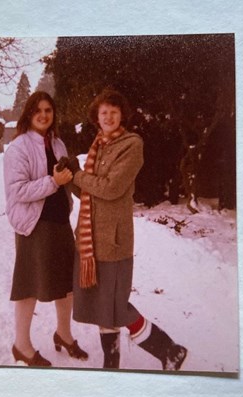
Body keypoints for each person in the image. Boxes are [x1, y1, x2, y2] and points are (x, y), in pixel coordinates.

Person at [66, 88, 188, 370]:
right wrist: (70, 174)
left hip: (114, 242)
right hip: (90, 240)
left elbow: (110, 188)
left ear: (122, 116)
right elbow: (87, 193)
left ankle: (170, 350)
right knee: (101, 307)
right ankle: (112, 363)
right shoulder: (99, 145)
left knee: (115, 306)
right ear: (96, 117)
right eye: (103, 112)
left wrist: (79, 175)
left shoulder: (131, 144)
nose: (108, 117)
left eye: (113, 112)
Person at [3, 91, 88, 367]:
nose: (43, 115)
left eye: (48, 110)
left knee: (66, 285)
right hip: (34, 226)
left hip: (60, 222)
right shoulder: (18, 148)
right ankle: (22, 346)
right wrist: (53, 182)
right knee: (29, 286)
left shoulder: (59, 144)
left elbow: (70, 179)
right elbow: (17, 191)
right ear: (29, 114)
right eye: (38, 110)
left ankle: (63, 334)